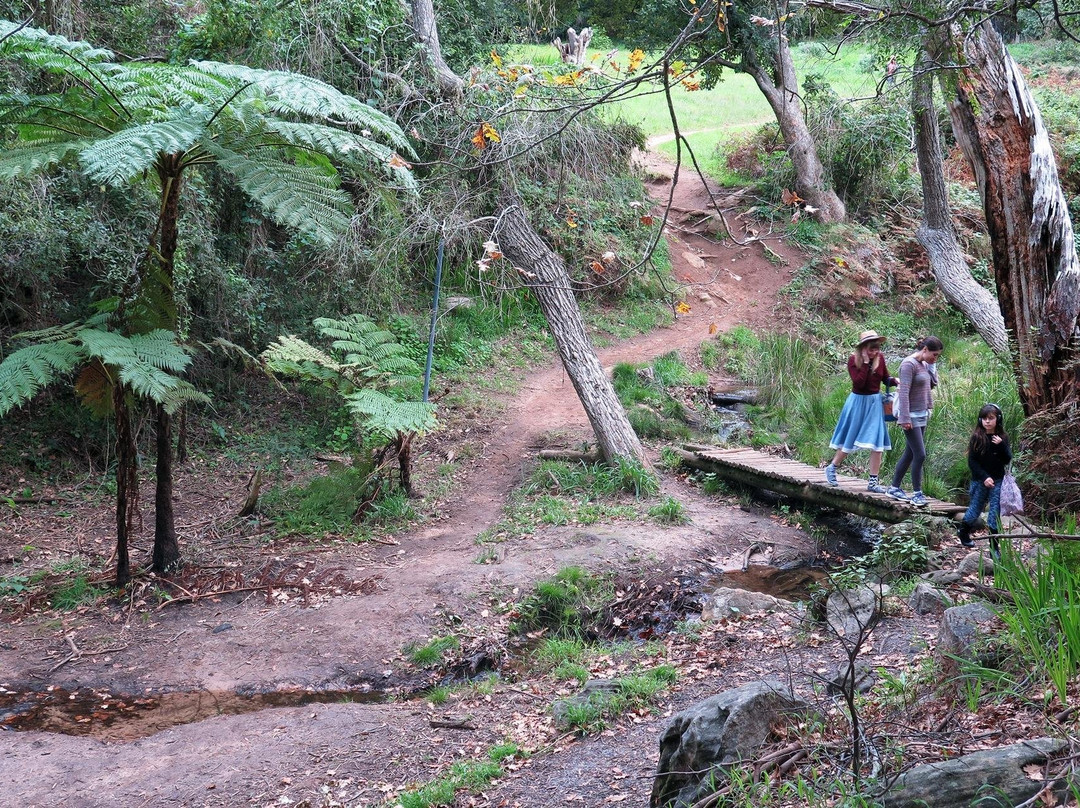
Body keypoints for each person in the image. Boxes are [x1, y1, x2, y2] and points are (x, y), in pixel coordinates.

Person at [824, 330, 898, 493]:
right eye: (871, 349)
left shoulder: (880, 359)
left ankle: (873, 482)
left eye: (877, 348)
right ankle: (832, 467)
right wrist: (865, 363)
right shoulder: (853, 360)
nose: (875, 352)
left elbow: (885, 377)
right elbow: (859, 384)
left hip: (874, 403)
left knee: (877, 443)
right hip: (858, 402)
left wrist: (894, 381)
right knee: (850, 439)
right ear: (863, 348)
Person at [887, 336, 944, 506]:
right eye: (934, 355)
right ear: (924, 349)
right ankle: (917, 493)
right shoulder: (908, 364)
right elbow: (903, 392)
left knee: (910, 453)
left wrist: (932, 365)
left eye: (938, 356)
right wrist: (904, 418)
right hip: (910, 415)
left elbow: (933, 383)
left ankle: (894, 487)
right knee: (920, 454)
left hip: (922, 413)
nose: (935, 358)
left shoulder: (925, 364)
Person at [957, 403, 1012, 556]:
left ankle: (994, 547)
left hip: (998, 480)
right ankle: (963, 532)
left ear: (997, 419)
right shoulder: (977, 437)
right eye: (984, 418)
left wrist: (1001, 446)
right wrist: (984, 477)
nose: (987, 421)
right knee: (975, 509)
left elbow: (1007, 459)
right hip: (980, 480)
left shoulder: (1002, 438)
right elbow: (972, 462)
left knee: (994, 513)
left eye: (991, 418)